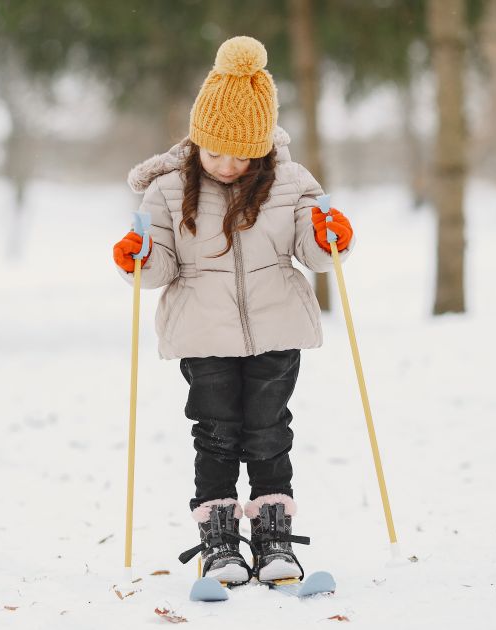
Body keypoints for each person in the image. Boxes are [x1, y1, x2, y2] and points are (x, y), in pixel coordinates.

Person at [110, 35, 354, 586]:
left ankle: (274, 543)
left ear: (263, 147)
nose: (225, 164)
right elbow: (159, 270)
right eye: (214, 151)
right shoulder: (169, 191)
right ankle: (219, 543)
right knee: (217, 433)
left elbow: (313, 254)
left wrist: (331, 237)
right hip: (203, 334)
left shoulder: (291, 184)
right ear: (197, 139)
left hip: (277, 329)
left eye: (241, 153)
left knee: (269, 432)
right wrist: (137, 259)